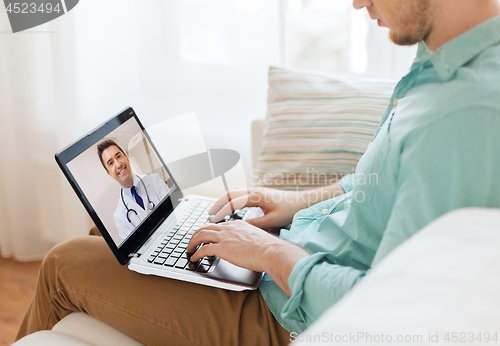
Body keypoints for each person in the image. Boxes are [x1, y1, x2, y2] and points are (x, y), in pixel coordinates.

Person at [17, 0, 500, 345]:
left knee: (62, 264)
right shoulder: (440, 63)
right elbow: (372, 190)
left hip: (284, 316)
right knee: (120, 238)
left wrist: (271, 253)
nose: (356, 4)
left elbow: (393, 311)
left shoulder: (464, 111)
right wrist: (294, 205)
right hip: (288, 261)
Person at [97, 139, 170, 240]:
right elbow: (135, 250)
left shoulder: (154, 180)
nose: (118, 164)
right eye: (111, 163)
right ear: (109, 174)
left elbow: (175, 211)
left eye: (118, 156)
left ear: (126, 158)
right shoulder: (119, 216)